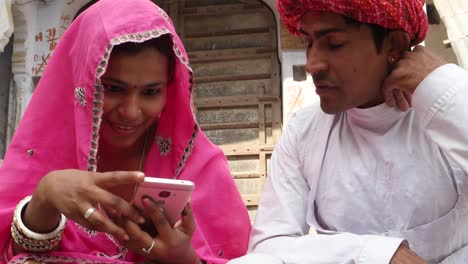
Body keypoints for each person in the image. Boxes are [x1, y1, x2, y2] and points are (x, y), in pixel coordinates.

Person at [0, 0, 251, 263]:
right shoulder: (40, 156)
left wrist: (184, 258)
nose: (131, 111)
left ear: (170, 90)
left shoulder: (201, 168)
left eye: (151, 92)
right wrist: (44, 199)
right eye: (114, 88)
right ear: (83, 83)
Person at [230, 0, 468, 263]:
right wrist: (376, 255)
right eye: (308, 43)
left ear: (394, 46)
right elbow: (268, 247)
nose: (312, 64)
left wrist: (439, 83)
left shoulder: (446, 108)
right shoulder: (304, 132)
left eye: (334, 44)